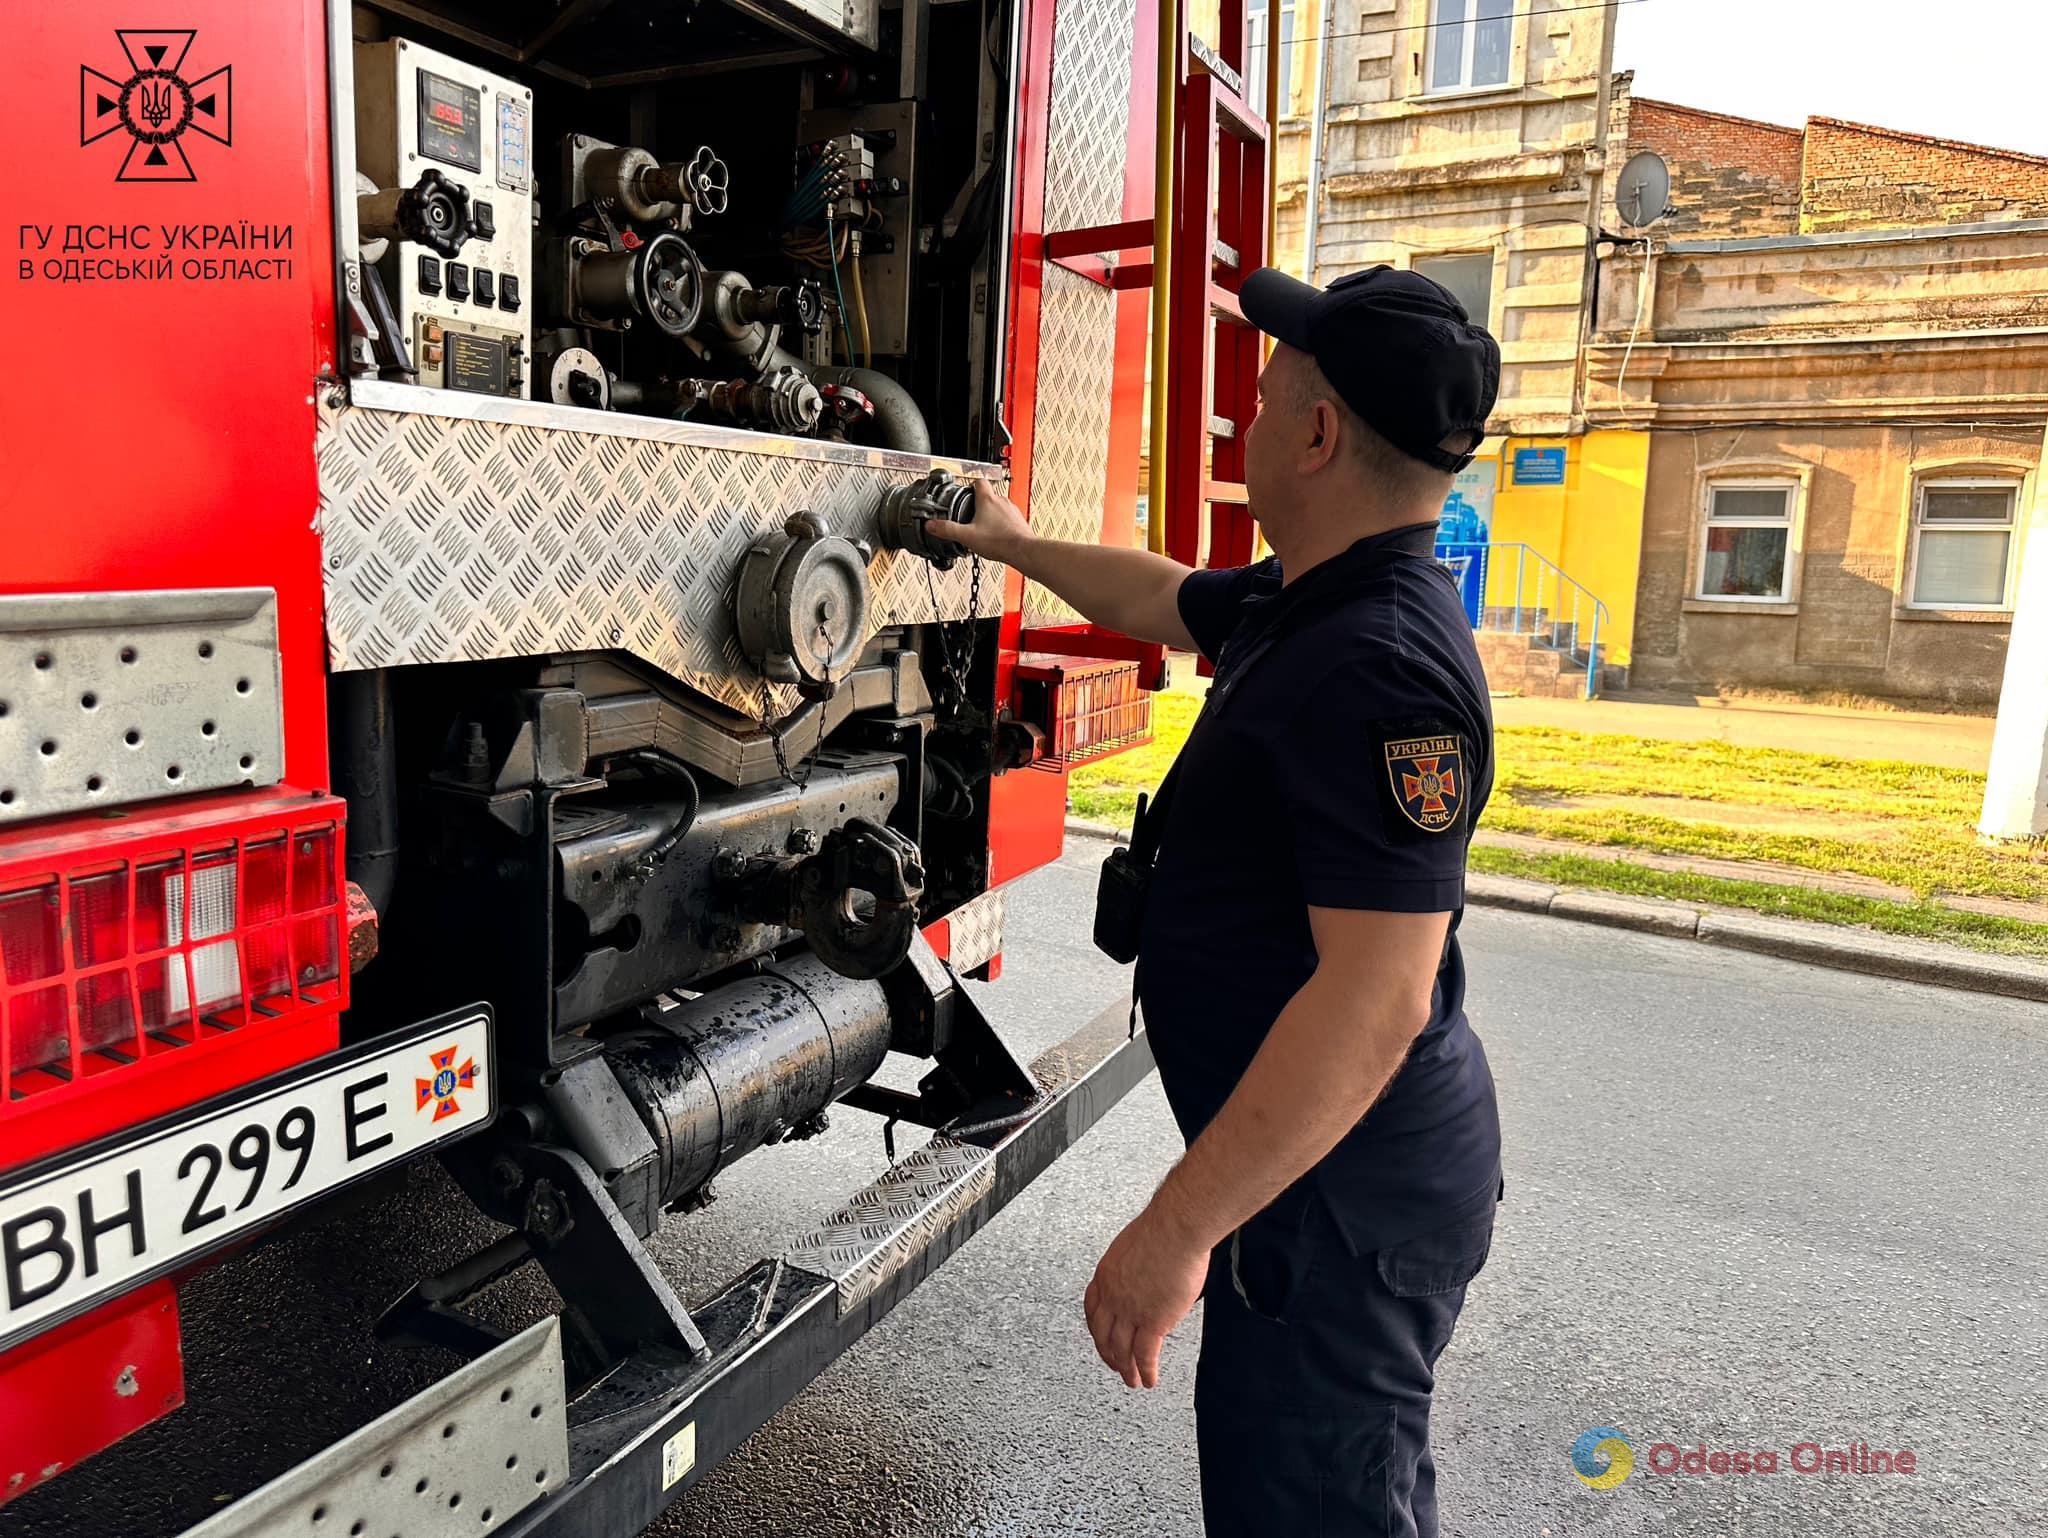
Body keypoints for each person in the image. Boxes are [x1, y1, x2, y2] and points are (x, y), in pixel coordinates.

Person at [930, 264, 1505, 1537]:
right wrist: (1014, 545)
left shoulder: (1384, 664)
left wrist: (1175, 1226)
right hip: (1310, 1190)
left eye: (1261, 398)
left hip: (1336, 1213)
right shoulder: (1315, 593)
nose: (1239, 423)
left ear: (1316, 435)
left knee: (1315, 1505)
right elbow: (1155, 593)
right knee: (1335, 1493)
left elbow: (1375, 1000)